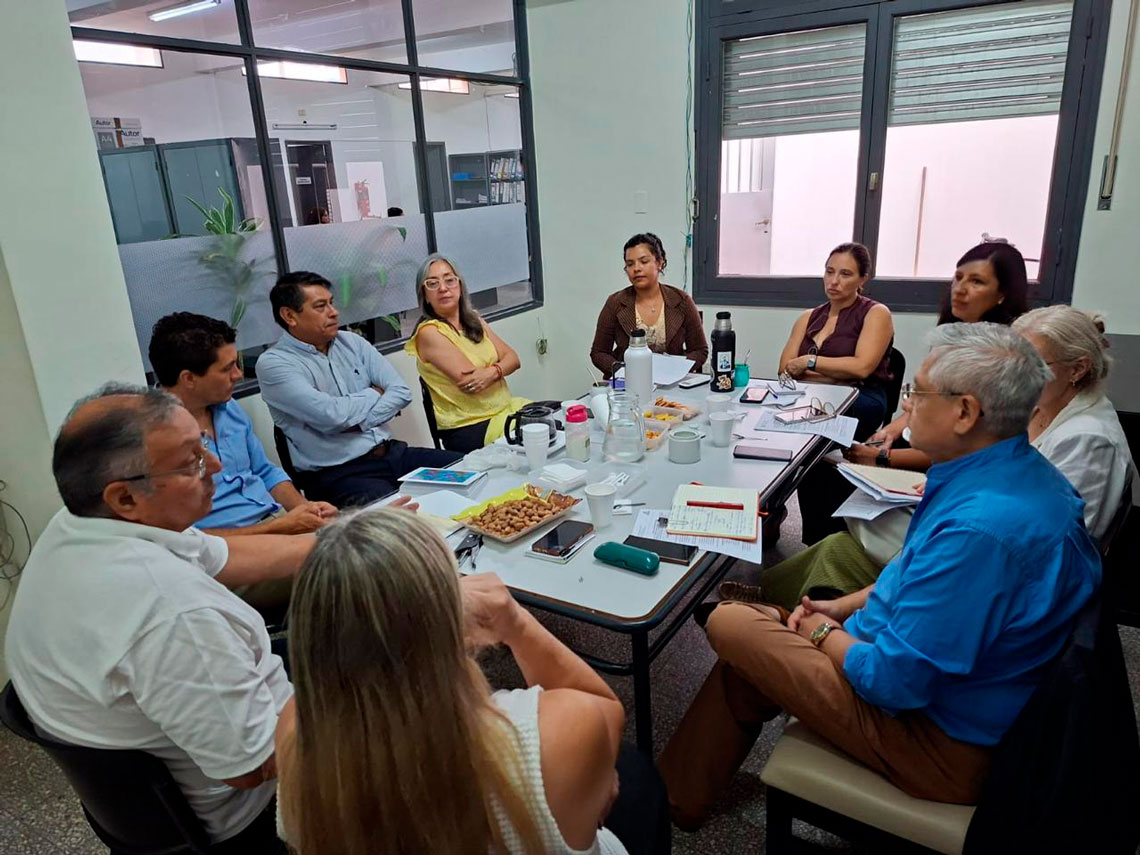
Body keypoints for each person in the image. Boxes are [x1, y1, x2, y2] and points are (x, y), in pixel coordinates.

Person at [659, 323, 1101, 831]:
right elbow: (916, 573)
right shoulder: (1013, 476)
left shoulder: (982, 532)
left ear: (965, 412)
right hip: (924, 687)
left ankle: (671, 797)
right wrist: (841, 608)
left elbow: (895, 683)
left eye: (918, 393)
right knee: (750, 658)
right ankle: (672, 800)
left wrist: (822, 634)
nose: (907, 405)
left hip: (935, 745)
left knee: (731, 623)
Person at [4, 384, 314, 853]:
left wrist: (348, 540)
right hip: (250, 815)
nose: (216, 466)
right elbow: (252, 766)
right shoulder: (171, 611)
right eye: (192, 461)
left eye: (203, 447)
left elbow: (224, 555)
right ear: (125, 497)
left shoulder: (80, 526)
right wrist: (341, 686)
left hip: (163, 768)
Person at [275, 509, 671, 855]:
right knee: (640, 781)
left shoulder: (293, 734)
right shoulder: (555, 735)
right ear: (450, 617)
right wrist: (516, 623)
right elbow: (605, 712)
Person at [759, 307, 1134, 608]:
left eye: (1029, 363)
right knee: (839, 543)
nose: (1014, 375)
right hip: (969, 552)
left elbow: (1053, 559)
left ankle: (772, 614)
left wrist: (828, 633)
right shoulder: (1040, 409)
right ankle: (770, 602)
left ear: (1077, 369)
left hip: (991, 584)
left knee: (860, 528)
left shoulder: (1089, 441)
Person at [797, 240, 1030, 545]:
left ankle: (850, 550)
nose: (960, 289)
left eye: (976, 282)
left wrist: (882, 457)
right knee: (821, 462)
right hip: (924, 440)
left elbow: (964, 449)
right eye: (958, 278)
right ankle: (821, 546)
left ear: (1002, 294)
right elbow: (924, 401)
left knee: (838, 470)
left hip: (949, 463)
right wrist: (891, 431)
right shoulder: (953, 335)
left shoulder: (999, 359)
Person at [255, 271, 463, 507]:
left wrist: (360, 423)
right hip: (340, 475)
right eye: (320, 306)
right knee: (404, 515)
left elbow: (401, 391)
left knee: (469, 471)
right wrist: (375, 392)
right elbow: (332, 415)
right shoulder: (274, 364)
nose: (333, 312)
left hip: (393, 455)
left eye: (331, 303)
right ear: (289, 316)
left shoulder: (352, 342)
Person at [149, 312, 337, 537]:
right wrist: (279, 528)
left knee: (353, 536)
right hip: (230, 545)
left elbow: (265, 471)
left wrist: (308, 511)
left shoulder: (229, 408)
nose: (238, 375)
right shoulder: (151, 437)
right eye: (227, 368)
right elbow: (181, 538)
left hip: (276, 521)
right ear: (189, 379)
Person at [404, 254, 531, 453]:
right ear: (425, 295)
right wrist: (500, 368)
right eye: (432, 283)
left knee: (559, 413)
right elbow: (473, 383)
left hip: (505, 410)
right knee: (541, 429)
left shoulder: (474, 321)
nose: (443, 288)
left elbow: (514, 359)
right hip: (469, 426)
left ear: (460, 286)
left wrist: (492, 372)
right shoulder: (429, 332)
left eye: (449, 280)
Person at [778, 242, 894, 440]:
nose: (833, 281)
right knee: (771, 415)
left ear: (862, 279)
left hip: (859, 398)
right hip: (809, 395)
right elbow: (785, 370)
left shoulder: (876, 313)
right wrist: (836, 376)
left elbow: (861, 368)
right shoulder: (808, 316)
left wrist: (809, 362)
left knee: (809, 423)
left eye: (845, 274)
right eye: (829, 272)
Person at [590, 233, 708, 378]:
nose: (636, 269)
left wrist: (674, 369)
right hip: (627, 383)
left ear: (659, 262)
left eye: (644, 261)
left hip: (672, 384)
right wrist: (622, 370)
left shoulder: (682, 301)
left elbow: (700, 350)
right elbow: (599, 353)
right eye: (630, 264)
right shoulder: (615, 303)